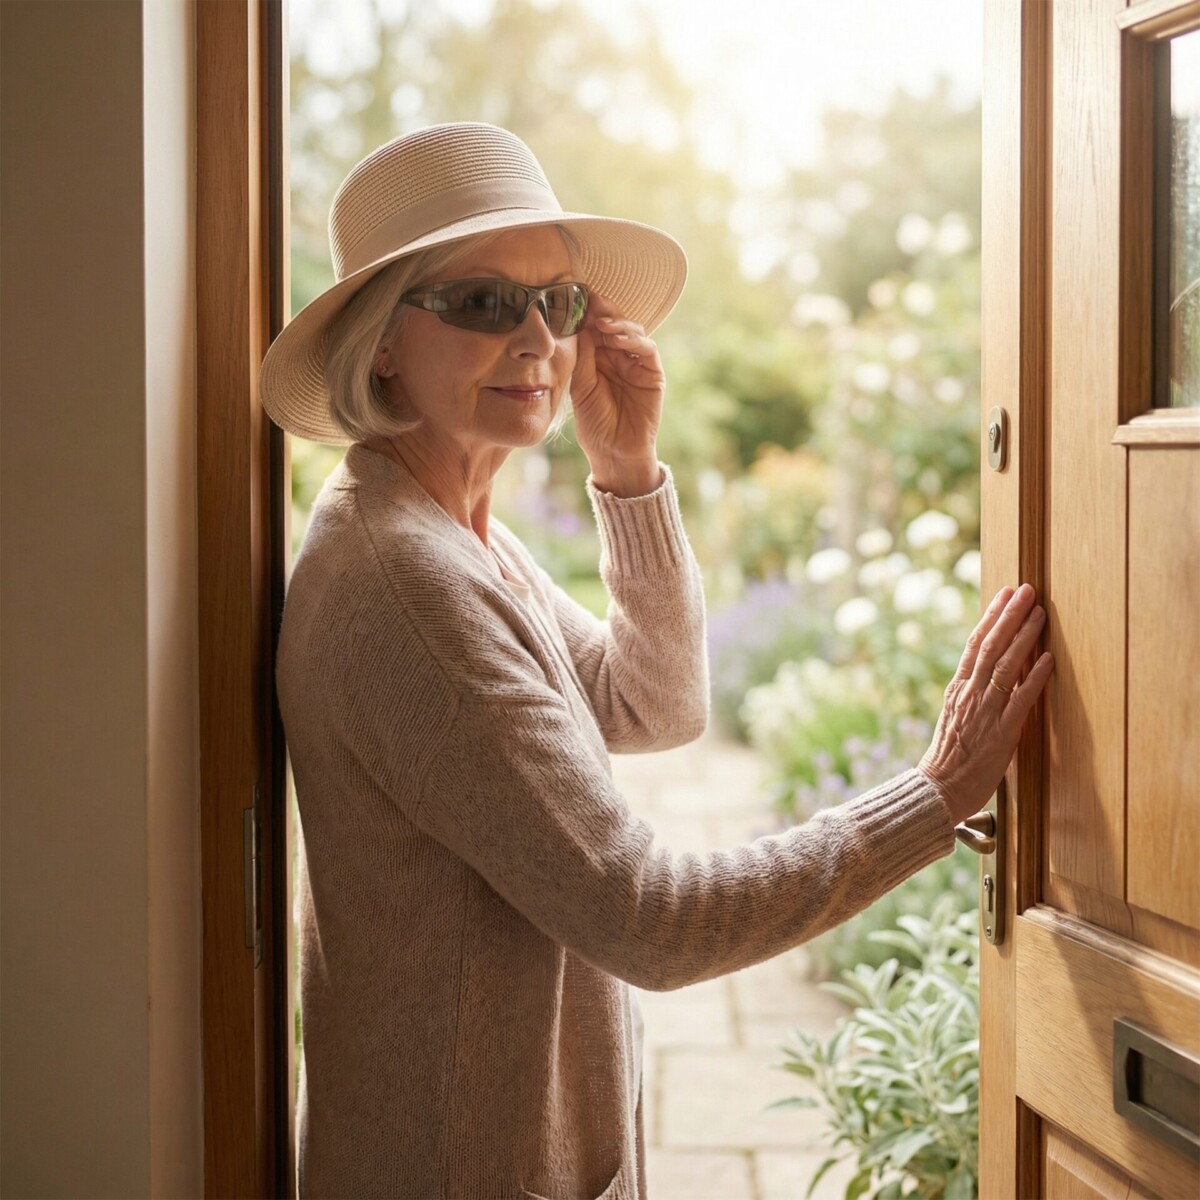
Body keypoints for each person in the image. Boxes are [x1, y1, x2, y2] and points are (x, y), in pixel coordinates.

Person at [260, 123, 1052, 1200]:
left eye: (560, 302)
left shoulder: (452, 533)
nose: (538, 338)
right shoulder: (406, 585)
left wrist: (629, 471)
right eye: (484, 302)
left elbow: (655, 704)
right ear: (382, 339)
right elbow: (651, 919)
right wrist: (932, 797)